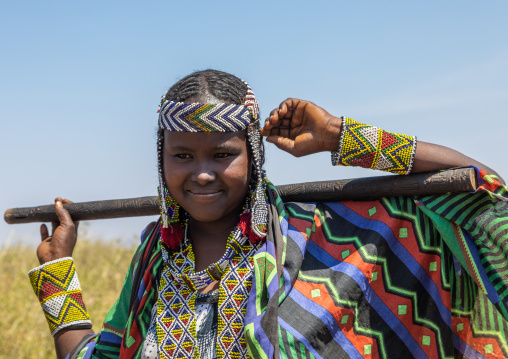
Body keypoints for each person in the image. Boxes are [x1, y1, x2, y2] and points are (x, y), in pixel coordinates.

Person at [28, 70, 508, 359]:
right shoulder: (155, 258)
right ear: (162, 157)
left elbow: (484, 193)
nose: (201, 175)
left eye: (221, 154)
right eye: (182, 156)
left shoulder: (328, 235)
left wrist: (341, 136)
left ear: (253, 155)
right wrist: (56, 275)